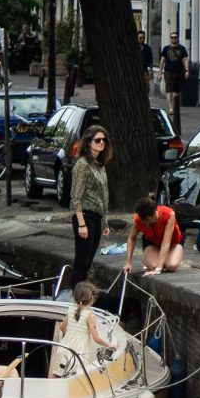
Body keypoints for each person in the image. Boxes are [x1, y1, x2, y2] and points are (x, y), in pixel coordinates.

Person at [68, 123, 114, 284]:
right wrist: (81, 224)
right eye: (97, 140)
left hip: (96, 217)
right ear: (88, 142)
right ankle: (76, 297)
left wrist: (105, 222)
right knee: (81, 260)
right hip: (85, 216)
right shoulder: (82, 165)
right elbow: (76, 196)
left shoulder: (99, 165)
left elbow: (103, 195)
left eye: (104, 140)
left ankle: (80, 295)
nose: (102, 142)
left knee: (88, 261)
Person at [57, 280, 122, 379]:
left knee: (57, 372)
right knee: (75, 377)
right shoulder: (90, 315)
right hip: (79, 350)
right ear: (92, 299)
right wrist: (110, 345)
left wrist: (72, 334)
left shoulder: (70, 309)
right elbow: (96, 338)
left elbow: (62, 327)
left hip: (65, 346)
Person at [132, 198, 185, 275]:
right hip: (152, 242)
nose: (144, 223)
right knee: (154, 266)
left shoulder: (168, 214)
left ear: (153, 214)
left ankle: (165, 258)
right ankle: (149, 259)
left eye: (146, 220)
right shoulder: (138, 219)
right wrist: (128, 263)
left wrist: (159, 268)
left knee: (171, 266)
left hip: (172, 242)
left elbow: (166, 243)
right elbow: (131, 239)